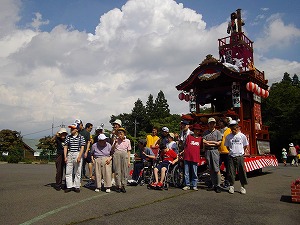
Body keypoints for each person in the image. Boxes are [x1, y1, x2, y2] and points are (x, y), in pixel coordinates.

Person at [225, 120, 249, 194]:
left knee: (241, 171)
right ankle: (231, 186)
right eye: (232, 129)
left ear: (238, 128)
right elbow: (227, 146)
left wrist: (241, 152)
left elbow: (245, 145)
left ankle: (243, 187)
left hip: (240, 156)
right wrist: (232, 151)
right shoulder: (228, 136)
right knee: (231, 172)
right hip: (231, 156)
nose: (234, 130)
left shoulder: (242, 136)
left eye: (235, 128)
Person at [64, 122, 86, 193]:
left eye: (73, 128)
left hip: (77, 153)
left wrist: (79, 156)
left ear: (76, 129)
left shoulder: (81, 137)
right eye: (71, 128)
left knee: (77, 171)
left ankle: (76, 186)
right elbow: (66, 146)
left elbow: (82, 147)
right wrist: (65, 156)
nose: (71, 130)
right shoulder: (68, 137)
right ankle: (69, 186)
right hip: (70, 153)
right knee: (68, 171)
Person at [202, 117, 222, 193]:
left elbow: (219, 143)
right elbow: (204, 141)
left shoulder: (218, 132)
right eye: (210, 123)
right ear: (208, 124)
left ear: (215, 124)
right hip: (208, 151)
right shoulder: (205, 132)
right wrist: (213, 142)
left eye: (213, 123)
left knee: (216, 168)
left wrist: (209, 142)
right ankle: (213, 184)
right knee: (210, 168)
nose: (212, 124)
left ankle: (218, 185)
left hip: (215, 150)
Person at [181, 123, 202, 191]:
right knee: (186, 172)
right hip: (187, 156)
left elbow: (201, 148)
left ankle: (194, 185)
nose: (197, 131)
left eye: (198, 130)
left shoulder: (200, 138)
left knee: (194, 172)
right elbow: (185, 146)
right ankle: (187, 184)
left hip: (195, 157)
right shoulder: (189, 137)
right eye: (196, 130)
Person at [112, 127, 131, 193]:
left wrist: (129, 161)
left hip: (124, 154)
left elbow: (128, 151)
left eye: (121, 133)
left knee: (124, 171)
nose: (120, 134)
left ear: (124, 134)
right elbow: (112, 149)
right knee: (117, 170)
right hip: (117, 154)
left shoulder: (127, 141)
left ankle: (123, 185)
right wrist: (115, 143)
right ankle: (118, 185)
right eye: (119, 133)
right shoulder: (116, 140)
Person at [218, 117, 231, 188]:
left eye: (220, 122)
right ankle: (218, 181)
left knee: (228, 168)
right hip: (220, 152)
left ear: (224, 122)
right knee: (217, 166)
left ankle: (227, 181)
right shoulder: (219, 131)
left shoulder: (229, 130)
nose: (219, 123)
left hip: (227, 152)